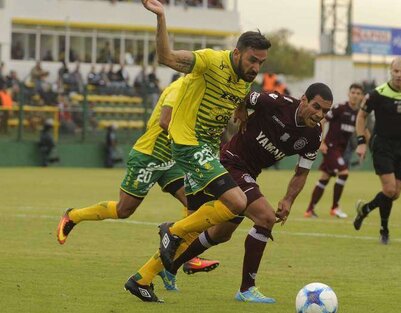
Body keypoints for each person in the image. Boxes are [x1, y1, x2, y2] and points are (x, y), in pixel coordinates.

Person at [127, 83, 333, 303]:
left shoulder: (313, 136)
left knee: (220, 234)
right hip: (231, 163)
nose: (319, 114)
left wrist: (289, 199)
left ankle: (169, 267)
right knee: (265, 218)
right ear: (303, 100)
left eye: (325, 111)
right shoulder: (276, 102)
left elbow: (301, 173)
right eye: (316, 107)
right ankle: (246, 289)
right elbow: (242, 93)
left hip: (250, 174)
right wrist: (241, 107)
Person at [140, 0, 271, 280]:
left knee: (198, 225)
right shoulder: (211, 61)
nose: (256, 67)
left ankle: (142, 278)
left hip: (209, 150)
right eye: (252, 60)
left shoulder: (244, 80)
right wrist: (161, 17)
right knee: (236, 203)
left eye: (261, 62)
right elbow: (167, 57)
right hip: (189, 144)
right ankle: (170, 229)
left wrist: (242, 111)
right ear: (237, 53)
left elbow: (234, 102)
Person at [56, 79, 220, 302]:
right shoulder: (179, 87)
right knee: (124, 210)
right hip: (149, 156)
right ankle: (73, 216)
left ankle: (182, 257)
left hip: (171, 160)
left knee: (195, 205)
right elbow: (166, 121)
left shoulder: (197, 90)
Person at [353, 57, 401, 245]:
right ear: (390, 71)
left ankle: (365, 209)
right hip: (382, 144)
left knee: (395, 193)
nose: (399, 75)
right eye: (396, 71)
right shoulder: (377, 94)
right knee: (389, 189)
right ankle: (384, 230)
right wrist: (361, 141)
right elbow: (361, 116)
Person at [304, 83, 364, 219]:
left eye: (358, 93)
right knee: (344, 173)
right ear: (348, 94)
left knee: (324, 178)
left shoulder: (359, 113)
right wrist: (321, 141)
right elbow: (323, 120)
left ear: (361, 97)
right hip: (331, 147)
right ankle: (335, 207)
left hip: (341, 150)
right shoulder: (340, 108)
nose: (355, 95)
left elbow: (362, 129)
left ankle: (309, 210)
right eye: (353, 92)